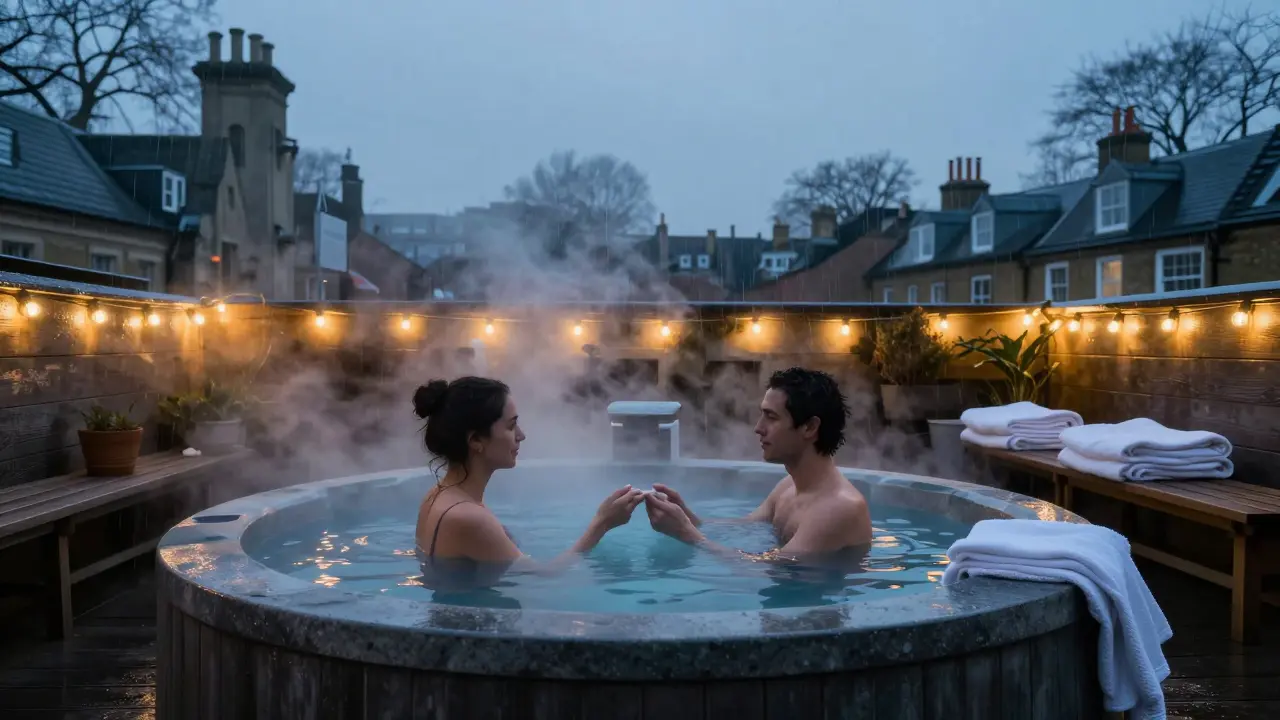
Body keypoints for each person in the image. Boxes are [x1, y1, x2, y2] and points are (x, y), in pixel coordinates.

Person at [413, 376, 645, 586]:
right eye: (511, 426)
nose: (521, 435)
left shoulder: (435, 496)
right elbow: (545, 578)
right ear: (475, 440)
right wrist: (602, 523)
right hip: (474, 629)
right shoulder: (468, 517)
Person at [644, 367, 872, 561]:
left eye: (771, 417)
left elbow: (772, 570)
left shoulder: (838, 508)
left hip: (816, 610)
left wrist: (686, 534)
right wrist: (689, 518)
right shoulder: (788, 487)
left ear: (810, 427)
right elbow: (746, 526)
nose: (758, 428)